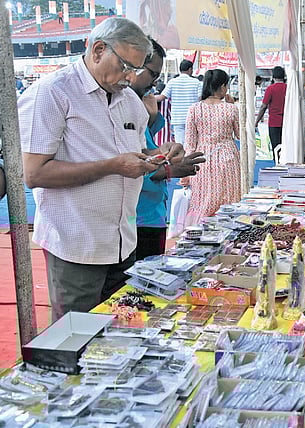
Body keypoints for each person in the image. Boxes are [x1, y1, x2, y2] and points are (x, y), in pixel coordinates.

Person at [18, 17, 184, 320]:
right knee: (78, 333)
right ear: (98, 51)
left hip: (123, 242)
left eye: (136, 70)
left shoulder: (128, 100)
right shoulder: (53, 93)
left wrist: (161, 153)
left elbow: (137, 152)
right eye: (125, 66)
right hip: (76, 244)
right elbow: (35, 173)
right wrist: (112, 166)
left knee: (122, 328)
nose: (129, 77)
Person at [132, 38, 205, 261]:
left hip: (150, 212)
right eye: (152, 74)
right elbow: (130, 164)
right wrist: (169, 170)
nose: (154, 82)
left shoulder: (136, 103)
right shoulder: (119, 103)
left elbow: (146, 149)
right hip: (138, 216)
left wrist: (152, 119)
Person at [180, 69, 241, 226]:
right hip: (228, 158)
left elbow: (190, 143)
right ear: (222, 87)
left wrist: (185, 171)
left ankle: (199, 229)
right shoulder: (231, 108)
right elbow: (240, 134)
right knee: (228, 198)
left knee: (203, 200)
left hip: (202, 159)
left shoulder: (194, 109)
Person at [156, 60, 202, 144]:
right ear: (190, 69)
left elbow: (162, 97)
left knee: (180, 144)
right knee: (192, 144)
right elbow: (200, 99)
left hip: (177, 118)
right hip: (193, 118)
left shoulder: (172, 82)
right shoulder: (196, 82)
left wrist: (148, 98)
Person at [255, 66, 286, 163]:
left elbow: (263, 106)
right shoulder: (288, 88)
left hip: (274, 122)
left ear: (273, 76)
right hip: (286, 122)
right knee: (286, 147)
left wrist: (257, 121)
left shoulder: (270, 89)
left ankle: (277, 164)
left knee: (275, 147)